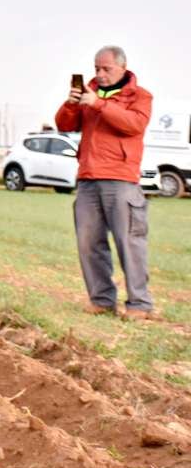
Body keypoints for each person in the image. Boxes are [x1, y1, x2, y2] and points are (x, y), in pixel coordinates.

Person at [55, 45, 155, 320]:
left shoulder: (140, 96)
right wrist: (72, 103)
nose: (99, 74)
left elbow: (133, 125)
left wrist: (98, 104)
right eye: (96, 68)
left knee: (129, 242)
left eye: (106, 69)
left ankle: (140, 303)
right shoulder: (89, 94)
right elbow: (64, 125)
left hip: (121, 179)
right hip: (88, 178)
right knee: (89, 242)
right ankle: (101, 299)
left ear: (122, 67)